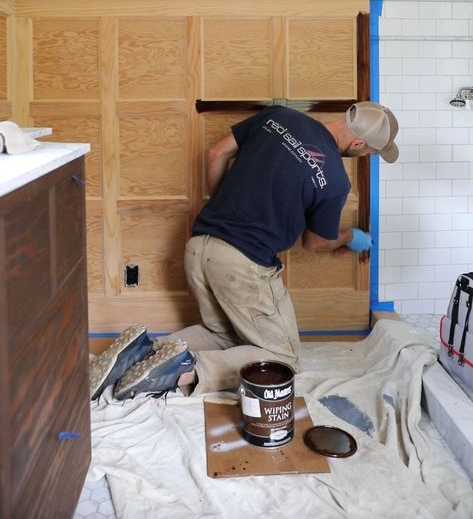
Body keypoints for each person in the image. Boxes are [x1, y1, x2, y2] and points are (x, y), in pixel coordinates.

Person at [90, 101, 399, 402]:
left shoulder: (278, 115)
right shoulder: (334, 181)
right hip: (241, 267)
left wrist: (222, 202)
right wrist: (346, 238)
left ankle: (144, 353)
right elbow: (314, 242)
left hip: (199, 246)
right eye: (371, 151)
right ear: (358, 142)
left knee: (225, 336)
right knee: (285, 358)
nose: (368, 156)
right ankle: (186, 371)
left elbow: (216, 152)